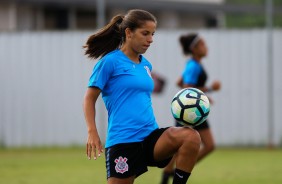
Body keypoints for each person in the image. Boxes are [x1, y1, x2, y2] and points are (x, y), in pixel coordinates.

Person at [83, 9, 201, 184]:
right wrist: (92, 131)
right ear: (128, 33)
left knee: (191, 137)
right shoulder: (109, 62)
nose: (150, 39)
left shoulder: (146, 65)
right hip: (124, 141)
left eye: (152, 34)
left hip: (150, 137)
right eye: (145, 33)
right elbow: (89, 98)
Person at [160, 33, 221, 184]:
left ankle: (169, 175)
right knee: (209, 145)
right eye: (202, 44)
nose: (206, 47)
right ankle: (179, 171)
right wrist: (209, 88)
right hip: (190, 112)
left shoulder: (193, 64)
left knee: (178, 146)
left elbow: (179, 82)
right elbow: (187, 88)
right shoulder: (193, 65)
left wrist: (202, 96)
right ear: (194, 49)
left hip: (189, 109)